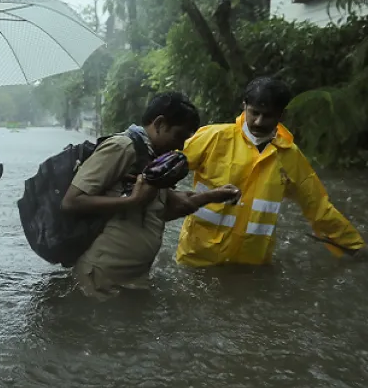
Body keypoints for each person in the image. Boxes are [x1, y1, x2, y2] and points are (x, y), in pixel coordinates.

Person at [61, 92, 240, 297]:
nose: (181, 146)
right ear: (159, 123)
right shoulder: (122, 147)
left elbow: (168, 207)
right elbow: (72, 201)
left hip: (134, 277)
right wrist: (133, 200)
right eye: (179, 136)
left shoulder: (152, 159)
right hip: (103, 276)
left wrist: (213, 196)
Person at [176, 76, 367, 267]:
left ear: (281, 116)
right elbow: (165, 170)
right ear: (244, 106)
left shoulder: (290, 157)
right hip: (197, 258)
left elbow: (318, 208)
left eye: (267, 115)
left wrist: (355, 246)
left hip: (250, 264)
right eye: (254, 113)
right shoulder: (214, 137)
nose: (259, 122)